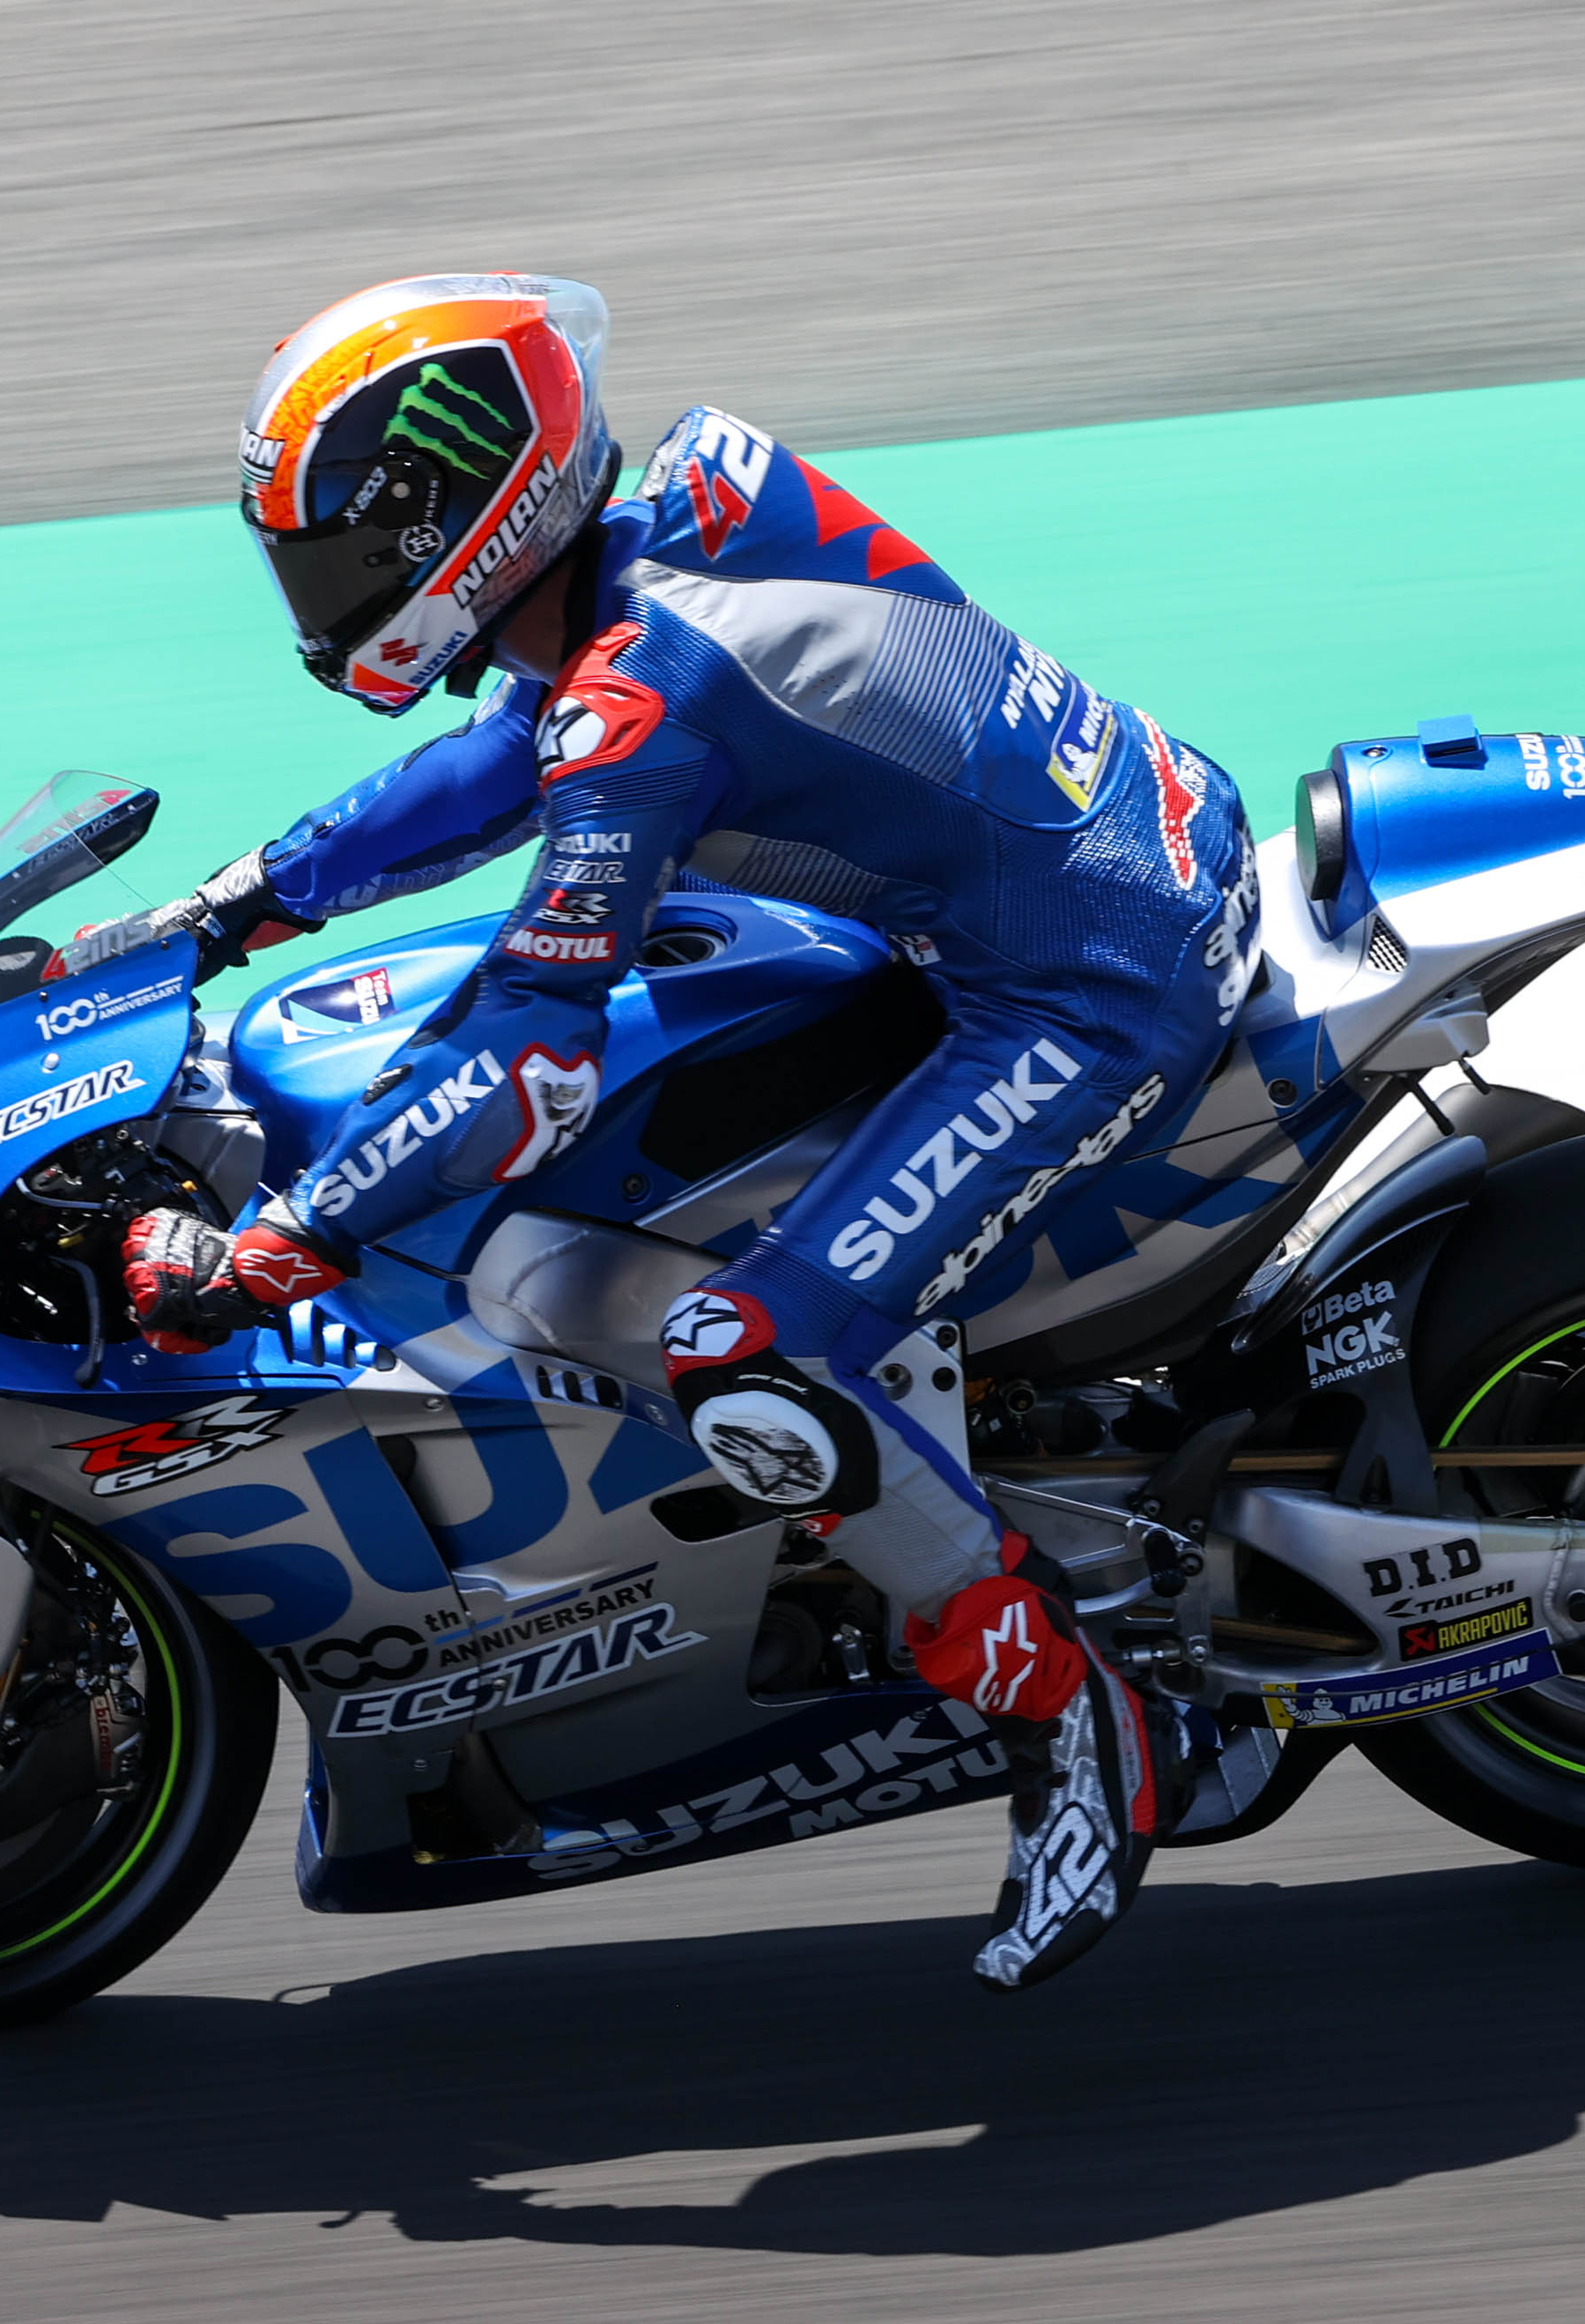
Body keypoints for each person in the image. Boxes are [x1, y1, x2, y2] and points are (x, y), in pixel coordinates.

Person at [83, 273, 1258, 1989]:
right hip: (1100, 848)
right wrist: (225, 909)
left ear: (465, 521)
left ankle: (1078, 1713)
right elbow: (496, 769)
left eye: (342, 558)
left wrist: (286, 1239)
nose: (324, 601)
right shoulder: (661, 542)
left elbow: (529, 1060)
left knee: (744, 1345)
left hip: (1092, 984)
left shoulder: (643, 701)